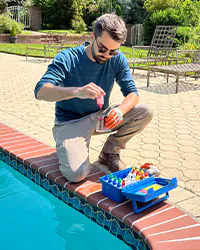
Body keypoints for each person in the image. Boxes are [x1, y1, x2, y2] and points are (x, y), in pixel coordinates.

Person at [34, 13, 153, 183]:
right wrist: (76, 92)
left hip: (101, 117)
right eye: (103, 48)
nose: (107, 55)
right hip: (71, 122)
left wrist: (120, 110)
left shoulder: (117, 59)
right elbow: (41, 91)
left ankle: (109, 153)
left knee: (146, 112)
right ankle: (67, 146)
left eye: (114, 51)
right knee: (76, 175)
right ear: (92, 37)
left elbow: (133, 94)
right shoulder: (68, 58)